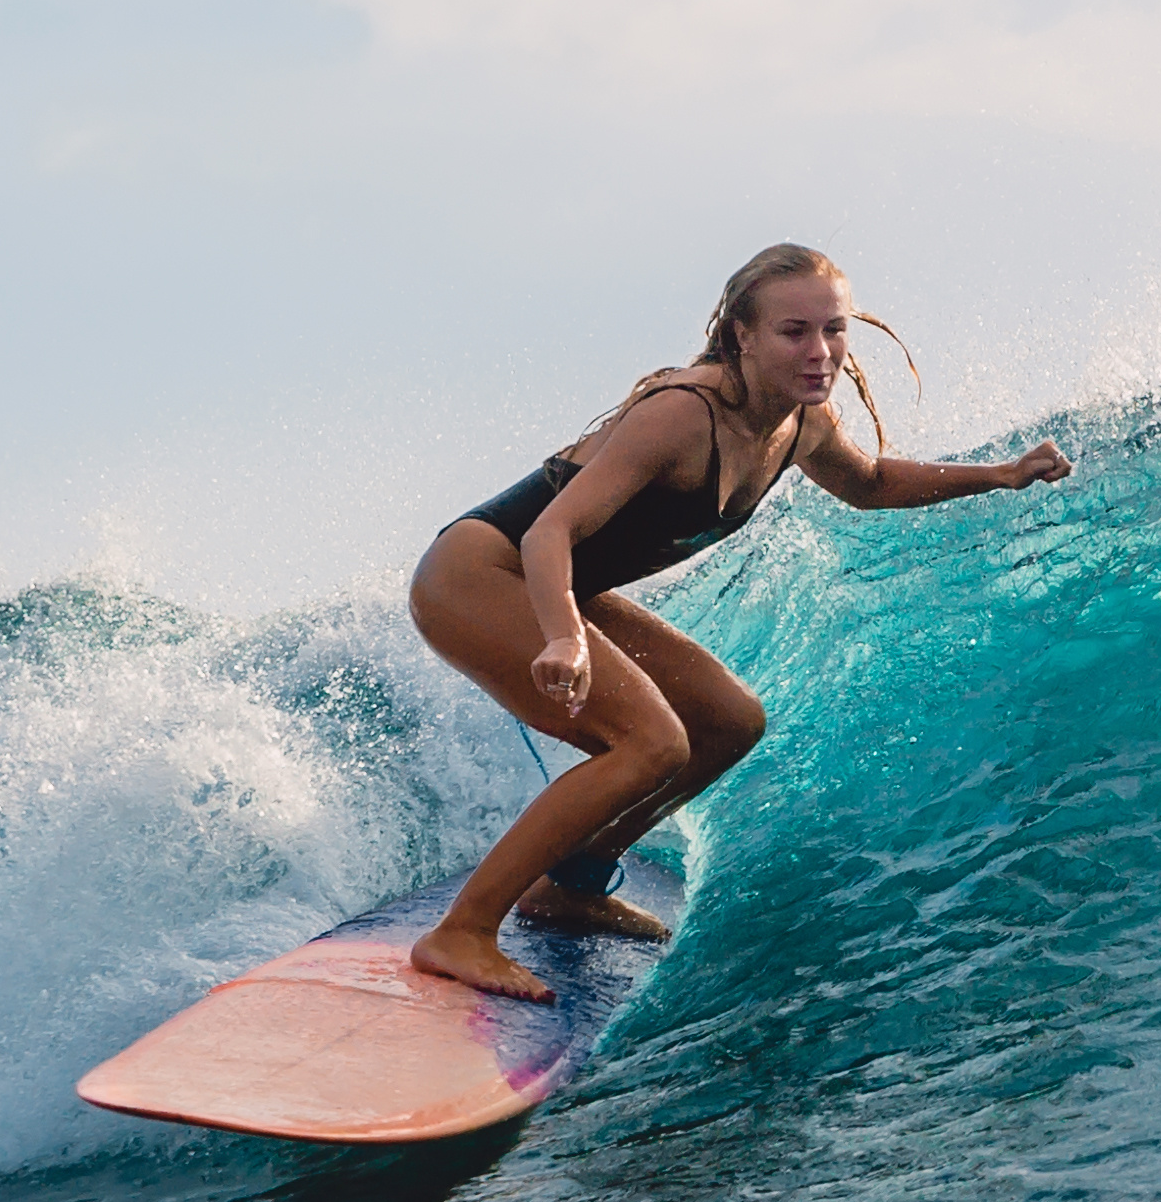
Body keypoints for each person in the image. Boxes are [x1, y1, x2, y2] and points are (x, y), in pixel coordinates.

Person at [404, 244, 1075, 1001]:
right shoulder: (682, 416)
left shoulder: (802, 423)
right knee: (649, 742)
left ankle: (573, 882)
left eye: (835, 329)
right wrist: (563, 635)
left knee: (728, 720)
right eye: (794, 331)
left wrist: (1002, 474)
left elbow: (871, 483)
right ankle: (461, 931)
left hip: (559, 583)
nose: (819, 351)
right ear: (740, 336)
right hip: (479, 575)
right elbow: (548, 533)